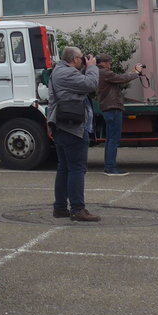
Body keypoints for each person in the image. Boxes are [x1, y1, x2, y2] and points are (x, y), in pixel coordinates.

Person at [48, 46, 101, 221]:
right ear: (75, 59)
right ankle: (78, 209)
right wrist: (92, 67)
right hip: (71, 128)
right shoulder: (66, 73)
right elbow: (90, 84)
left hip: (63, 127)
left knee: (64, 168)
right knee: (77, 168)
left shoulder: (61, 71)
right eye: (81, 59)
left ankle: (60, 207)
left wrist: (88, 68)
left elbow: (81, 83)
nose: (84, 61)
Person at [96, 54, 147, 176]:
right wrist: (136, 73)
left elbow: (119, 78)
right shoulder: (104, 73)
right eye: (109, 62)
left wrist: (133, 72)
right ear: (102, 63)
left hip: (108, 108)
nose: (110, 64)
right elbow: (121, 78)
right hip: (112, 107)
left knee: (110, 139)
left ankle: (109, 166)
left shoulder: (99, 73)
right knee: (113, 139)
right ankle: (110, 167)